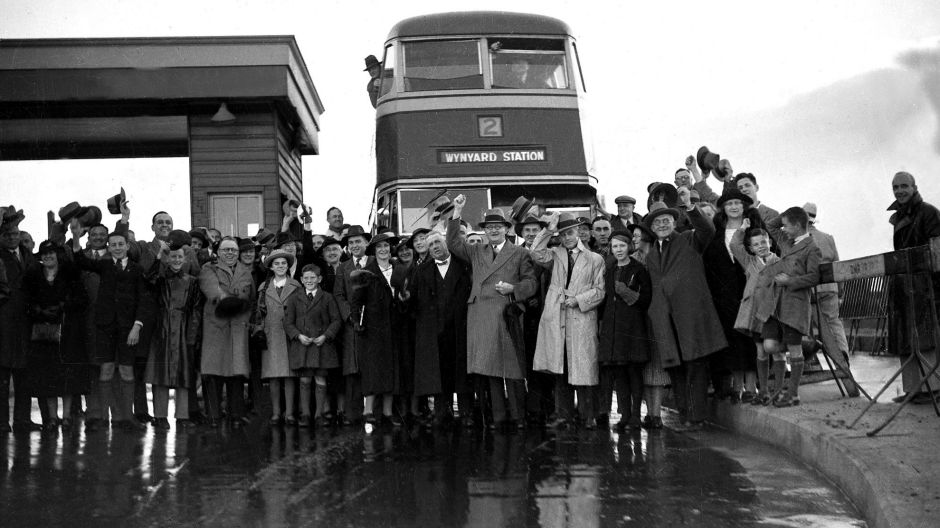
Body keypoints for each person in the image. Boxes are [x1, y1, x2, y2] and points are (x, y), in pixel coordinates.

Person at [447, 198, 537, 430]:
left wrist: (513, 289)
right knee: (490, 370)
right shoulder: (476, 251)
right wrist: (457, 211)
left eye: (498, 226)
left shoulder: (519, 253)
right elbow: (453, 243)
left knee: (513, 369)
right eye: (489, 227)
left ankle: (518, 418)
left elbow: (531, 283)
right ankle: (498, 418)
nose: (494, 230)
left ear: (507, 229)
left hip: (507, 314)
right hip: (481, 315)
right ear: (484, 231)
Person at [645, 193, 727, 431]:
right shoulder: (651, 255)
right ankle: (684, 416)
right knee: (676, 370)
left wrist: (691, 207)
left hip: (690, 318)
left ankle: (697, 417)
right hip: (667, 322)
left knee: (696, 367)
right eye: (656, 222)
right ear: (651, 227)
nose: (661, 224)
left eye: (666, 220)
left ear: (673, 222)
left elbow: (707, 231)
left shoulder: (689, 239)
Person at [69, 220, 149, 432]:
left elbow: (143, 300)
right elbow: (80, 260)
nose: (116, 247)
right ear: (109, 247)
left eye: (120, 244)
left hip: (128, 329)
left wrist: (137, 327)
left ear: (127, 245)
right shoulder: (104, 265)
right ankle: (102, 418)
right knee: (105, 370)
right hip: (104, 327)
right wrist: (76, 236)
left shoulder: (136, 269)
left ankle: (126, 417)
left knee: (126, 371)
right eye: (112, 244)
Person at [531, 212, 606, 429]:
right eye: (562, 234)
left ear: (579, 232)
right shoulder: (555, 254)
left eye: (570, 232)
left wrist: (578, 300)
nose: (567, 238)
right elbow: (535, 252)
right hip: (558, 316)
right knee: (560, 366)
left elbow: (600, 291)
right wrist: (549, 230)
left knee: (584, 368)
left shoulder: (594, 259)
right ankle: (563, 415)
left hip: (582, 317)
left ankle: (587, 415)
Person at [400, 232, 473, 427]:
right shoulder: (421, 271)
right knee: (440, 372)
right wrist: (406, 301)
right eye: (430, 244)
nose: (434, 247)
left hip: (461, 327)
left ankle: (467, 414)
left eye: (438, 242)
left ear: (446, 243)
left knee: (462, 372)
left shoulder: (463, 265)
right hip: (434, 331)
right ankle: (442, 413)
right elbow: (412, 299)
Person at [754, 207, 821, 407]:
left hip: (794, 306)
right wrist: (789, 212)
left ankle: (792, 394)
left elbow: (814, 277)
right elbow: (770, 226)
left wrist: (790, 281)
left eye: (787, 225)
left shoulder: (812, 248)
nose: (784, 229)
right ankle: (778, 391)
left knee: (793, 348)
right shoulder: (787, 241)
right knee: (770, 345)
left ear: (799, 225)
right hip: (776, 304)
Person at [702, 190, 762, 403]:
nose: (734, 207)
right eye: (730, 203)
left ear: (744, 206)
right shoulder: (717, 234)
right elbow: (710, 265)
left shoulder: (754, 231)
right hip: (725, 296)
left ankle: (752, 387)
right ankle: (737, 386)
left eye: (738, 203)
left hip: (751, 293)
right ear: (723, 208)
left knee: (752, 339)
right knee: (733, 340)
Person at [25, 241, 90, 432]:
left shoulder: (69, 275)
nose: (48, 257)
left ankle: (67, 416)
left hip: (67, 332)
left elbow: (82, 300)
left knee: (67, 376)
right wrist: (39, 311)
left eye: (51, 253)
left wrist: (63, 306)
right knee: (47, 376)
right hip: (44, 333)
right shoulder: (34, 276)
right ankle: (52, 418)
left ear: (57, 255)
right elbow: (27, 301)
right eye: (44, 254)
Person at [886, 171, 940, 403]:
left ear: (914, 187)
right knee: (905, 335)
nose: (900, 191)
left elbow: (936, 251)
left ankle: (933, 389)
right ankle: (913, 390)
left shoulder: (928, 212)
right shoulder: (899, 216)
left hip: (925, 285)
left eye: (904, 186)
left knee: (925, 336)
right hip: (904, 284)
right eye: (896, 187)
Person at [803, 202, 860, 397]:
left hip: (809, 290)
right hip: (830, 288)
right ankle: (842, 356)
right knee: (834, 323)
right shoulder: (828, 238)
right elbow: (837, 264)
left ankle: (809, 359)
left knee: (807, 325)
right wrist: (840, 289)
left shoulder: (799, 239)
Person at [144, 241, 203, 429]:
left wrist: (192, 335)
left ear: (185, 259)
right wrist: (159, 255)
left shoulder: (192, 281)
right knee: (159, 374)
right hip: (161, 330)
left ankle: (182, 416)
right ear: (167, 259)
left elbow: (195, 310)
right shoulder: (159, 280)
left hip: (183, 329)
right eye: (173, 256)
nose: (176, 260)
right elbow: (148, 278)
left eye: (180, 256)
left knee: (183, 374)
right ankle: (160, 416)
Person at [597, 231, 652, 430]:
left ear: (629, 246)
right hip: (613, 328)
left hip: (632, 327)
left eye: (621, 246)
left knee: (634, 373)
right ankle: (625, 415)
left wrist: (627, 293)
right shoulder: (609, 269)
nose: (618, 250)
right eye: (614, 246)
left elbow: (646, 298)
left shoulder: (638, 269)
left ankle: (636, 415)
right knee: (619, 374)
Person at [199, 237, 255, 427]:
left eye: (233, 250)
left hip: (238, 328)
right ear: (218, 252)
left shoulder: (246, 272)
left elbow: (252, 299)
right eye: (226, 250)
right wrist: (225, 299)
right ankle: (213, 415)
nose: (230, 253)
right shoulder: (209, 269)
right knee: (214, 374)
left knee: (236, 374)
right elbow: (212, 290)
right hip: (217, 328)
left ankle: (236, 415)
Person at [352, 232, 404, 426]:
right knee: (374, 368)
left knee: (392, 368)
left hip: (395, 325)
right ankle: (368, 411)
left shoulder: (399, 269)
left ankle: (389, 412)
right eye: (379, 247)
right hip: (373, 327)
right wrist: (357, 322)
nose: (383, 250)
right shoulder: (366, 272)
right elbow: (356, 301)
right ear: (374, 251)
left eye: (386, 246)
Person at [284, 263, 342, 427]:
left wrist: (326, 336)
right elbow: (288, 323)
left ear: (319, 279)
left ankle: (319, 415)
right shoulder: (295, 297)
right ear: (301, 280)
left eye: (313, 278)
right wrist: (298, 335)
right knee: (305, 379)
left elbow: (336, 320)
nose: (309, 281)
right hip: (303, 345)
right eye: (306, 278)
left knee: (320, 378)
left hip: (321, 345)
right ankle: (305, 414)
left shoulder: (327, 297)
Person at [1, 207, 42, 433]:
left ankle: (22, 420)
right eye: (7, 234)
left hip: (26, 323)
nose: (12, 237)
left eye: (15, 233)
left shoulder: (27, 255)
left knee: (24, 374)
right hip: (4, 323)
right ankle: (1, 423)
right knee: (2, 375)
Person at [730, 224, 780, 405]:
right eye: (756, 244)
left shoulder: (779, 262)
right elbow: (735, 246)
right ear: (751, 248)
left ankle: (777, 389)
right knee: (760, 351)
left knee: (773, 349)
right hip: (755, 316)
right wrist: (742, 229)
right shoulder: (749, 262)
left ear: (770, 242)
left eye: (764, 242)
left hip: (772, 315)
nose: (761, 246)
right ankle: (764, 391)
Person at [253, 249, 301, 426]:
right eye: (277, 264)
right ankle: (275, 412)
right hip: (271, 334)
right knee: (273, 375)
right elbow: (259, 312)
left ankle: (289, 413)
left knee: (289, 375)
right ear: (271, 267)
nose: (280, 266)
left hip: (290, 334)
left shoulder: (296, 285)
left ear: (288, 266)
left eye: (283, 263)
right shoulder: (263, 288)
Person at [627, 222, 668, 428]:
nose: (633, 238)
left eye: (637, 235)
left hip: (657, 316)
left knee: (658, 365)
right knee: (646, 366)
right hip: (640, 316)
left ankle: (656, 413)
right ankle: (650, 413)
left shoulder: (660, 256)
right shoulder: (632, 260)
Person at [332, 225, 372, 425]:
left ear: (366, 243)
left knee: (372, 367)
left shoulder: (374, 262)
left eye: (358, 241)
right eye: (351, 242)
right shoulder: (343, 267)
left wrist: (368, 317)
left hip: (372, 325)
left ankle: (372, 412)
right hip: (351, 326)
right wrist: (351, 317)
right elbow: (339, 295)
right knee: (352, 369)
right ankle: (352, 413)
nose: (355, 245)